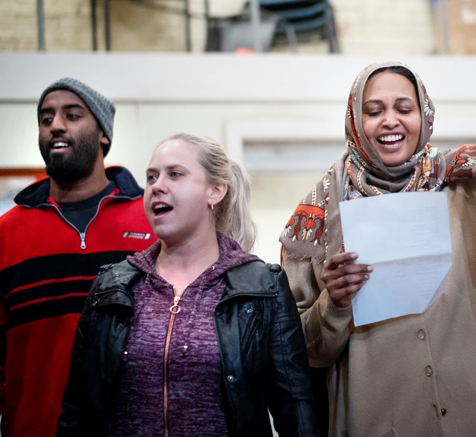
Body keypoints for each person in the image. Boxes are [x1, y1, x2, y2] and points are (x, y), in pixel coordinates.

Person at [280, 29, 476, 436]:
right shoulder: (316, 217)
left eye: (404, 107)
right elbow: (300, 350)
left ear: (425, 115)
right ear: (355, 122)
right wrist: (336, 304)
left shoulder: (474, 177)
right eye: (374, 110)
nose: (390, 121)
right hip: (383, 421)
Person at [57, 133, 319, 437]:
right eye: (151, 177)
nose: (157, 186)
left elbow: (295, 411)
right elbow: (77, 409)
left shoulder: (264, 286)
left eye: (175, 174)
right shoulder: (112, 286)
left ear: (215, 191)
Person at [0, 78, 155, 436]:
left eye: (72, 115)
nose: (55, 125)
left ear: (103, 134)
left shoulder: (153, 219)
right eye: (46, 118)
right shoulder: (7, 232)